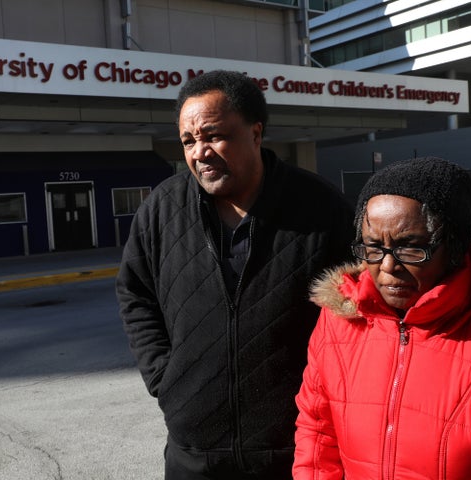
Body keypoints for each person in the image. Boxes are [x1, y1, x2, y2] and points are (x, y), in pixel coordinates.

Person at [115, 69, 355, 479]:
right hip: (194, 452)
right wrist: (165, 378)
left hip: (294, 448)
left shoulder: (320, 206)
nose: (199, 152)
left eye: (213, 136)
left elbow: (356, 308)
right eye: (189, 141)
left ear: (256, 133)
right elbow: (135, 293)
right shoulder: (161, 209)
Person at [293, 157, 471, 479]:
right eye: (373, 247)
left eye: (410, 248)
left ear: (455, 247)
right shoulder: (338, 324)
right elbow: (317, 435)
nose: (388, 266)